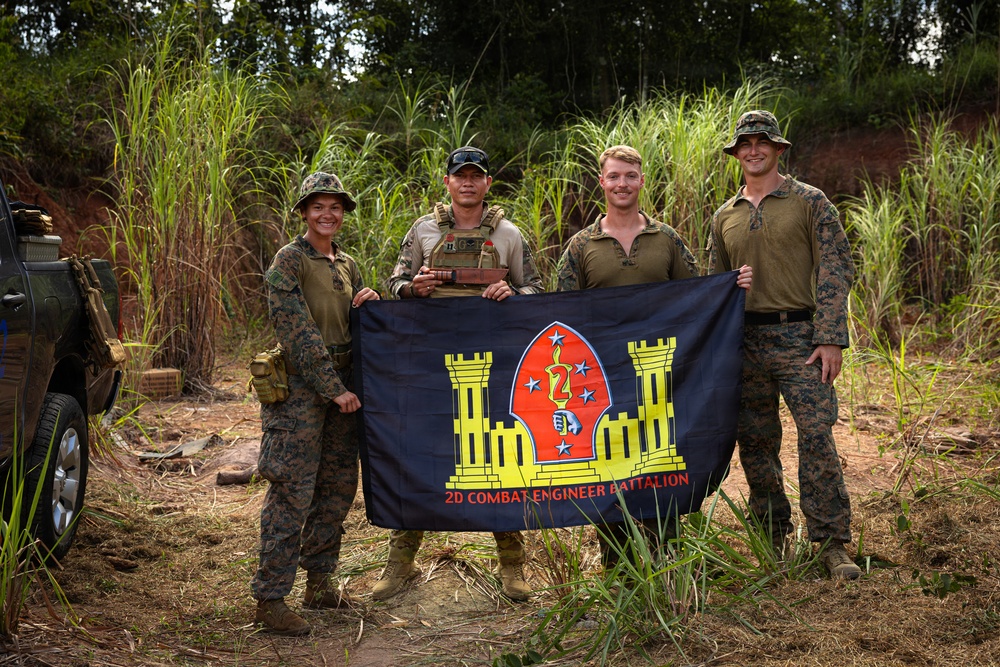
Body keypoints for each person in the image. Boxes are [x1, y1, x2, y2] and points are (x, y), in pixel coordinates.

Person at [556, 144, 752, 571]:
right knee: (610, 470)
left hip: (661, 377)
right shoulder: (581, 245)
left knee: (660, 462)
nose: (621, 184)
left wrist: (732, 286)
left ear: (641, 181)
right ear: (601, 182)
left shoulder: (666, 239)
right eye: (613, 176)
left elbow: (698, 299)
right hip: (605, 382)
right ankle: (619, 567)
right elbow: (561, 314)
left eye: (630, 176)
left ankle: (667, 561)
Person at [375, 145, 544, 602]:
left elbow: (536, 287)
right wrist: (413, 288)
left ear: (488, 183)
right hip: (430, 360)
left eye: (476, 175)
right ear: (447, 182)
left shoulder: (508, 234)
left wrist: (514, 291)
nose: (468, 182)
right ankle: (401, 560)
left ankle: (512, 565)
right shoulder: (424, 230)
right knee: (419, 453)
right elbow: (393, 281)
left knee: (499, 454)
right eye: (459, 175)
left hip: (494, 360)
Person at [709, 110, 861, 579]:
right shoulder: (724, 216)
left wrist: (831, 337)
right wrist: (729, 291)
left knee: (816, 437)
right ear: (736, 154)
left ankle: (832, 543)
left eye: (762, 143)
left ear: (778, 149)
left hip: (802, 339)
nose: (753, 150)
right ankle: (770, 539)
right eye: (745, 144)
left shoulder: (809, 201)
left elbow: (838, 266)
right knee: (755, 443)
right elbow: (713, 287)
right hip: (745, 342)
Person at [252, 172, 380, 635]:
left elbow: (354, 323)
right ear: (304, 212)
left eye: (336, 207)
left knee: (337, 486)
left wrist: (370, 302)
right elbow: (297, 331)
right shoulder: (289, 260)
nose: (328, 214)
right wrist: (333, 387)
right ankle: (270, 597)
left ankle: (320, 582)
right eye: (318, 206)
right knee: (292, 490)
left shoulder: (346, 263)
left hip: (345, 387)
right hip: (305, 392)